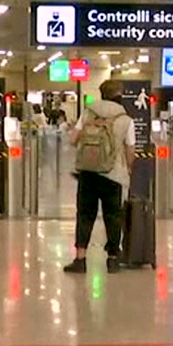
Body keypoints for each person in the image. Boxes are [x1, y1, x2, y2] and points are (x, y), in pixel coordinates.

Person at [63, 80, 135, 275]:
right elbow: (130, 148)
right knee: (113, 215)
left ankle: (80, 259)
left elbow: (72, 139)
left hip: (87, 172)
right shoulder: (125, 119)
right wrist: (128, 169)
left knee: (85, 214)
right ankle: (112, 260)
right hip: (113, 174)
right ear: (119, 95)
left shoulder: (88, 112)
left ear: (101, 94)